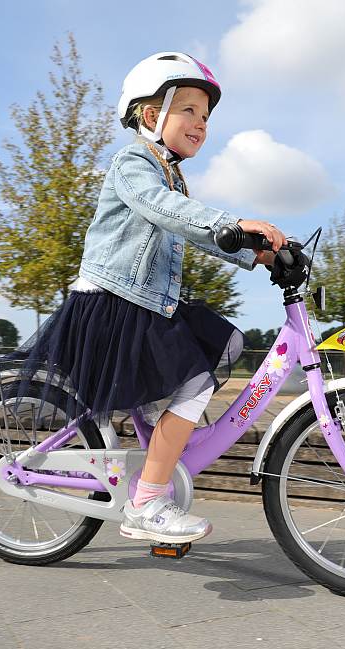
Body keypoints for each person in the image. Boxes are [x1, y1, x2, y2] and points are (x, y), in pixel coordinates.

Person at [18, 52, 286, 545]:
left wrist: (259, 256)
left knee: (215, 349)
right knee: (192, 383)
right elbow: (165, 210)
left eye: (206, 116)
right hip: (113, 305)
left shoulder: (170, 173)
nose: (201, 124)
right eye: (189, 110)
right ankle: (147, 501)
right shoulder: (134, 164)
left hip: (140, 303)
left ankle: (154, 473)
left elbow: (194, 230)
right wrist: (233, 223)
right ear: (150, 115)